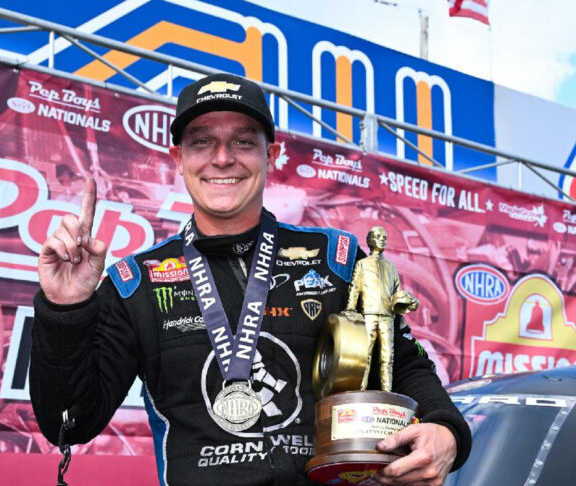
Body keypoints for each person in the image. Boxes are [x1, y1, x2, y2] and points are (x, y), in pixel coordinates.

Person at [30, 72, 471, 486]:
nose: (223, 158)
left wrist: (445, 427)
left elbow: (403, 361)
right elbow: (69, 422)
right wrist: (65, 310)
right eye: (202, 142)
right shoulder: (136, 282)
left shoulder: (336, 259)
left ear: (270, 155)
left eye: (242, 141)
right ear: (178, 159)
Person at [345, 226, 419, 392]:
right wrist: (350, 307)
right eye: (378, 236)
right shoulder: (362, 264)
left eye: (384, 237)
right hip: (368, 314)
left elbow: (397, 293)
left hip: (387, 316)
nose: (382, 240)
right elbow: (355, 287)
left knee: (388, 357)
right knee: (365, 355)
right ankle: (361, 390)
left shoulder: (391, 267)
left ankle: (387, 392)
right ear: (370, 240)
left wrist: (409, 302)